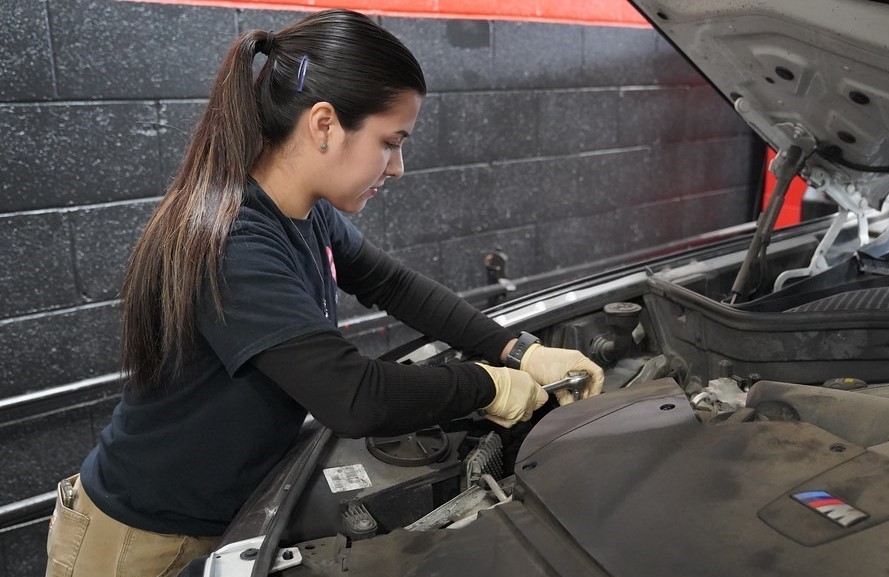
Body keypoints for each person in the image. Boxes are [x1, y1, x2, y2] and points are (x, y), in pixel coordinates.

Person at [43, 9, 603, 577]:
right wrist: (486, 385)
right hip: (140, 542)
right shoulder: (234, 240)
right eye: (390, 142)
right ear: (324, 124)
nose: (399, 167)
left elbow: (394, 283)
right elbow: (352, 396)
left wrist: (518, 350)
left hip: (225, 515)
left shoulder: (302, 212)